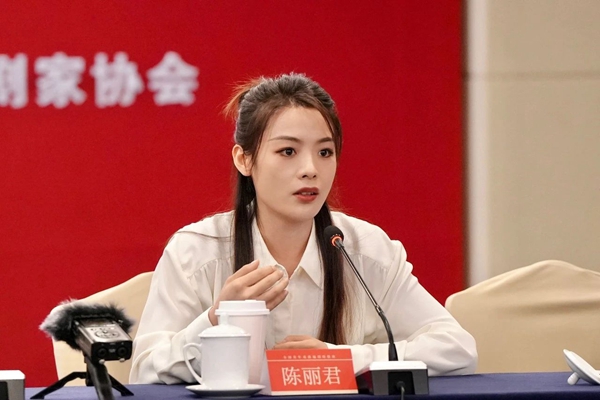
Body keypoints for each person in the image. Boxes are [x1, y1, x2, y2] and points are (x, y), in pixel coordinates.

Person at [130, 73, 477, 384]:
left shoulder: (367, 249)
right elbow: (145, 370)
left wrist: (342, 359)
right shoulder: (196, 251)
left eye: (325, 152)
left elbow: (456, 348)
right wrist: (216, 320)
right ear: (244, 159)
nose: (310, 169)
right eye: (288, 151)